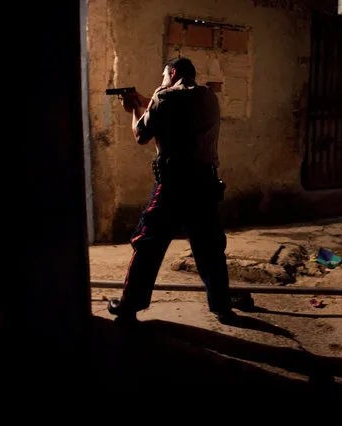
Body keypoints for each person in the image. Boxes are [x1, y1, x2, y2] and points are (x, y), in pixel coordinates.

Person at [107, 56, 251, 324]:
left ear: (172, 73)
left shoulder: (164, 97)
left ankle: (130, 306)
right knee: (209, 246)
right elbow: (180, 114)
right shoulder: (209, 97)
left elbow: (141, 134)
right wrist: (148, 102)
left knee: (147, 242)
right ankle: (221, 305)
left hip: (173, 185)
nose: (162, 81)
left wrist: (136, 109)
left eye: (164, 76)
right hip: (205, 184)